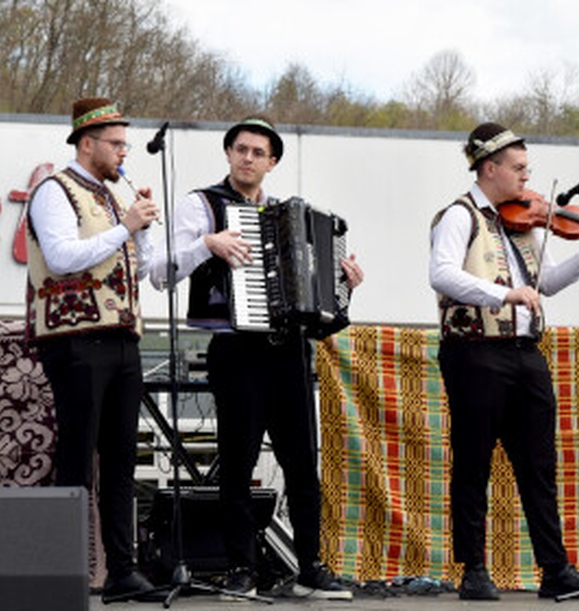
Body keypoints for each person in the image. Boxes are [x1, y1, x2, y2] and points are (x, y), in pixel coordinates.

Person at [148, 115, 364, 601]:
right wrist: (207, 244)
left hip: (288, 352)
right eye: (240, 149)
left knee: (302, 464)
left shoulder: (288, 216)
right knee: (238, 462)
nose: (248, 158)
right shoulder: (202, 205)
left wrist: (343, 286)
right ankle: (240, 568)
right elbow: (160, 273)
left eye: (258, 153)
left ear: (272, 162)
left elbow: (315, 303)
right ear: (228, 153)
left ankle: (310, 568)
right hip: (236, 349)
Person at [429, 122, 579, 601]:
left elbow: (546, 282)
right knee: (473, 461)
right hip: (474, 351)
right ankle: (473, 569)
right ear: (489, 168)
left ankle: (554, 568)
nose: (526, 177)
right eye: (517, 168)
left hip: (525, 352)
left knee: (538, 464)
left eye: (526, 169)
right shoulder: (458, 215)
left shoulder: (525, 223)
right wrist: (504, 293)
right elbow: (442, 274)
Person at [25, 97, 160, 601]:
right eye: (116, 143)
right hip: (75, 338)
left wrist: (141, 230)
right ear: (87, 143)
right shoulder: (54, 191)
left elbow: (138, 270)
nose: (123, 152)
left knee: (122, 460)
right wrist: (126, 225)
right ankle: (60, 572)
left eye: (125, 144)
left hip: (121, 339)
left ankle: (121, 571)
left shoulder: (111, 198)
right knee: (78, 457)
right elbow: (61, 258)